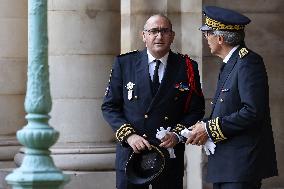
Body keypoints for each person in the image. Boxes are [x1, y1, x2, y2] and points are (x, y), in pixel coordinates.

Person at [101, 14, 205, 189]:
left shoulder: (186, 66)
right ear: (144, 36)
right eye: (153, 31)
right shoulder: (125, 63)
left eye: (164, 31)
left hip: (168, 156)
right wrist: (129, 136)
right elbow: (109, 106)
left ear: (172, 36)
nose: (159, 36)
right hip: (131, 154)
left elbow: (196, 109)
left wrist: (177, 134)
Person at [185, 6, 278, 189]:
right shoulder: (231, 63)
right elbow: (227, 109)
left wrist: (209, 128)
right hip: (227, 165)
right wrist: (200, 126)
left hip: (240, 165)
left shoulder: (248, 63)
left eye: (207, 34)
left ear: (220, 38)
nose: (206, 39)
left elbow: (252, 111)